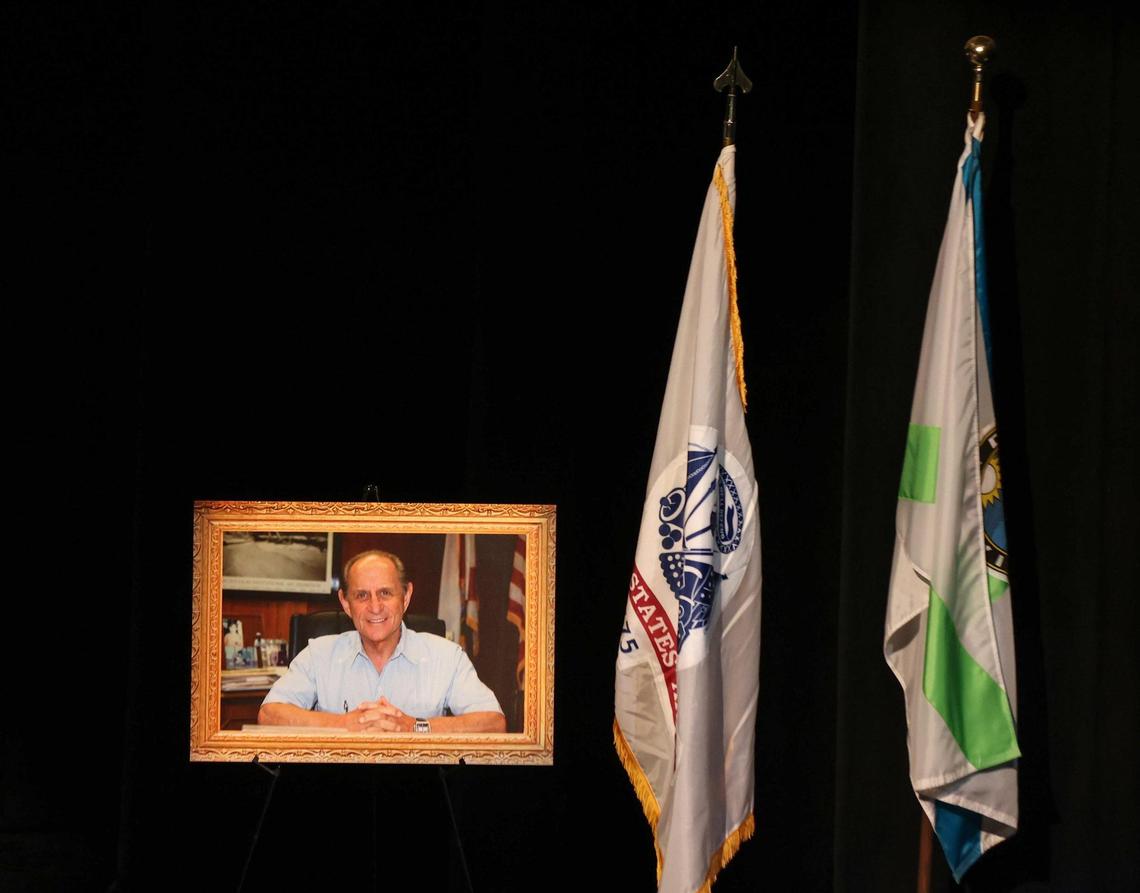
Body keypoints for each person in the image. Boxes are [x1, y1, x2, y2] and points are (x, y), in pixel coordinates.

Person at [258, 549, 506, 732]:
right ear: (346, 603)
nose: (375, 607)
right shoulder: (318, 654)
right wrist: (343, 723)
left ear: (406, 597)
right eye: (362, 595)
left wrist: (415, 727)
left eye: (385, 593)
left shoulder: (447, 656)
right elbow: (269, 715)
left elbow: (494, 723)